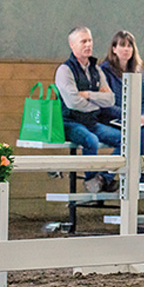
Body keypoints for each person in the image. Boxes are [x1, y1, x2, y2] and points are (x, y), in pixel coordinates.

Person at [55, 27, 121, 193]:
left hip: (91, 121)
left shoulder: (96, 69)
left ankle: (103, 178)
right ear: (72, 45)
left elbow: (110, 99)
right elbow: (73, 102)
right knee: (91, 140)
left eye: (90, 40)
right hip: (69, 122)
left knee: (124, 140)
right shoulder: (65, 70)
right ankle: (91, 180)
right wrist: (97, 102)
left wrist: (88, 95)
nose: (88, 44)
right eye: (83, 41)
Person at [99, 31, 144, 182]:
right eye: (122, 45)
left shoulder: (137, 70)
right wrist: (129, 115)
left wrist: (142, 116)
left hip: (133, 118)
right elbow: (106, 105)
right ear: (114, 49)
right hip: (112, 118)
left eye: (129, 46)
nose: (126, 49)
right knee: (143, 135)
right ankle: (114, 176)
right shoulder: (104, 71)